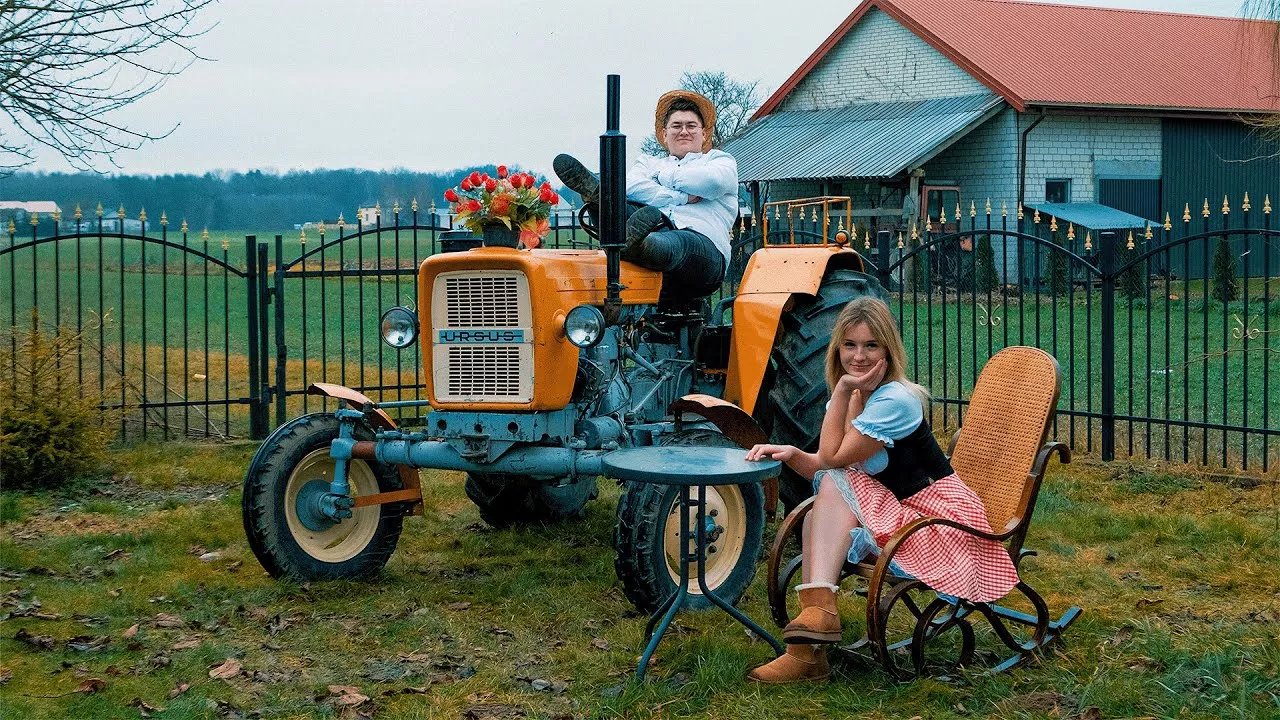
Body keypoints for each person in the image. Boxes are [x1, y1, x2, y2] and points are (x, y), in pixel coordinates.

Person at [742, 297, 1020, 684]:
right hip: (896, 512)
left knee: (834, 482)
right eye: (850, 345)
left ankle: (815, 630)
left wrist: (843, 390)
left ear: (888, 350)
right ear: (837, 348)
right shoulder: (853, 396)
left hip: (937, 520)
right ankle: (809, 646)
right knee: (822, 505)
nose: (858, 356)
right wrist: (791, 454)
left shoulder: (895, 401)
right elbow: (827, 461)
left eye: (871, 345)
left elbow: (833, 460)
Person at [553, 90, 738, 303]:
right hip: (653, 225)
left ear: (704, 134)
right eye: (676, 126)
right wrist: (682, 197)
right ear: (665, 134)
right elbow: (631, 187)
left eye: (691, 126)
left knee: (677, 242)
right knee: (615, 202)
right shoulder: (649, 162)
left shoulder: (719, 161)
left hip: (702, 252)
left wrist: (663, 176)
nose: (684, 131)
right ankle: (597, 194)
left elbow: (713, 183)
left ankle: (639, 245)